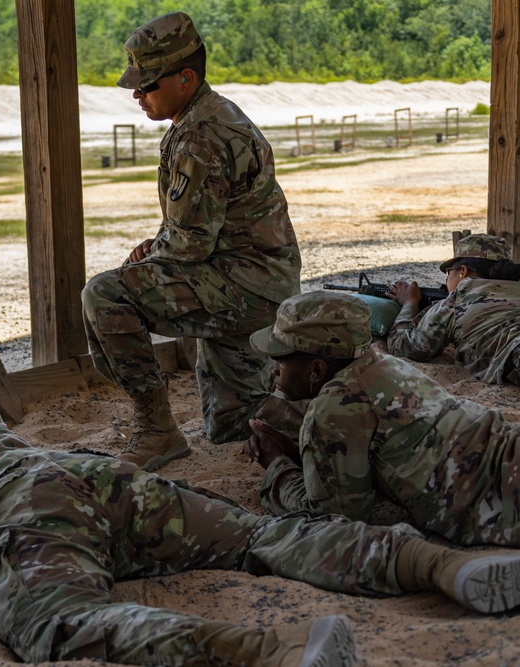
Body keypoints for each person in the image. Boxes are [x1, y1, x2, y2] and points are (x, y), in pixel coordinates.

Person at [0, 330, 520, 667]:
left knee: (58, 623)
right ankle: (442, 565)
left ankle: (271, 650)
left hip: (17, 516)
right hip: (87, 475)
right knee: (259, 535)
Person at [81, 11, 303, 472]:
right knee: (234, 425)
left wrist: (147, 260)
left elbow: (190, 246)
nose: (138, 95)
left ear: (185, 77)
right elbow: (199, 223)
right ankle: (332, 419)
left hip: (245, 287)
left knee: (105, 295)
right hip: (254, 279)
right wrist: (158, 243)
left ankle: (157, 431)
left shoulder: (203, 134)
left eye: (148, 85)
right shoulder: (206, 116)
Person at [244, 291, 520, 548]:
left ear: (316, 370)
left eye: (279, 360)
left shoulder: (335, 406)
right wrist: (303, 455)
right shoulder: (383, 364)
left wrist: (276, 465)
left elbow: (334, 522)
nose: (271, 368)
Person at [387, 233, 520, 402]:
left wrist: (409, 303)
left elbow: (407, 346)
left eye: (449, 272)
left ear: (463, 271)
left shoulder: (462, 294)